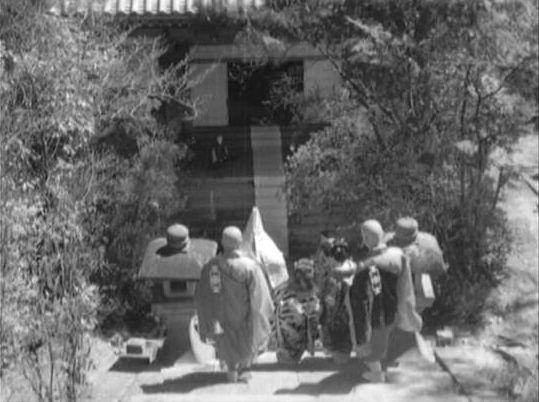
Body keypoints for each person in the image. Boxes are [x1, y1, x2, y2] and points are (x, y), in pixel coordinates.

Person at [334, 219, 421, 383]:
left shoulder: (374, 263)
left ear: (368, 238)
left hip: (380, 311)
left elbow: (375, 289)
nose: (363, 241)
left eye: (365, 237)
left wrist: (352, 279)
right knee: (382, 339)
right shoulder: (396, 254)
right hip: (393, 307)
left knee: (373, 346)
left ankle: (377, 374)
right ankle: (383, 363)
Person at [195, 226, 274, 382]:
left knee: (227, 346)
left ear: (222, 242)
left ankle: (231, 372)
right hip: (244, 316)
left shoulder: (212, 266)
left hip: (222, 317)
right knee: (244, 345)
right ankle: (242, 372)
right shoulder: (250, 266)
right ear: (239, 243)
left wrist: (209, 315)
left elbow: (204, 294)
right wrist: (260, 314)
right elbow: (259, 296)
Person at [313, 232, 354, 364]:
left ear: (331, 258)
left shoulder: (334, 277)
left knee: (334, 327)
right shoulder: (352, 268)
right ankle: (343, 353)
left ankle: (339, 354)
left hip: (337, 314)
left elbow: (328, 302)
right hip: (349, 312)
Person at [272, 258, 320, 364]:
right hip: (285, 344)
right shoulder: (282, 292)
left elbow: (314, 317)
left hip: (301, 344)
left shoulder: (313, 293)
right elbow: (272, 315)